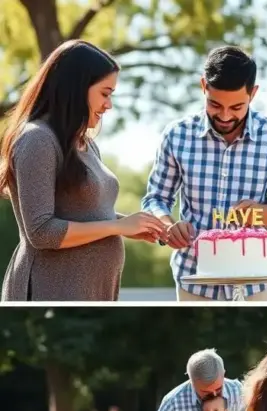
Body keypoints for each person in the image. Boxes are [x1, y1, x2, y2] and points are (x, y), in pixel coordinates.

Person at [0, 40, 165, 301]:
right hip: (51, 289)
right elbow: (42, 232)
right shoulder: (37, 140)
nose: (109, 105)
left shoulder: (84, 143)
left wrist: (129, 225)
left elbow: (87, 212)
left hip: (93, 290)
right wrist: (116, 226)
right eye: (105, 93)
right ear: (76, 89)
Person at [141, 46, 267, 302]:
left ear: (254, 93)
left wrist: (263, 214)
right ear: (203, 86)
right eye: (215, 104)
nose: (225, 116)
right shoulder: (177, 135)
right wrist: (168, 226)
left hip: (255, 283)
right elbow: (154, 199)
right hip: (192, 280)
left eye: (237, 106)